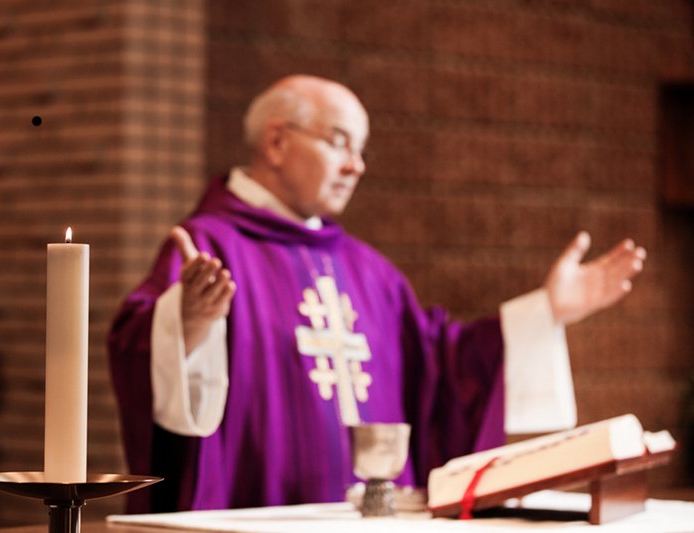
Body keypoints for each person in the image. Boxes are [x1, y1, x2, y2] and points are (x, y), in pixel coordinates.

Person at [108, 75, 646, 514]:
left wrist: (545, 313)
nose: (356, 166)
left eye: (361, 150)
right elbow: (137, 345)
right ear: (275, 142)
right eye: (339, 142)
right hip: (257, 515)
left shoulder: (371, 271)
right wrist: (188, 321)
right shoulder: (210, 246)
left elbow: (439, 365)